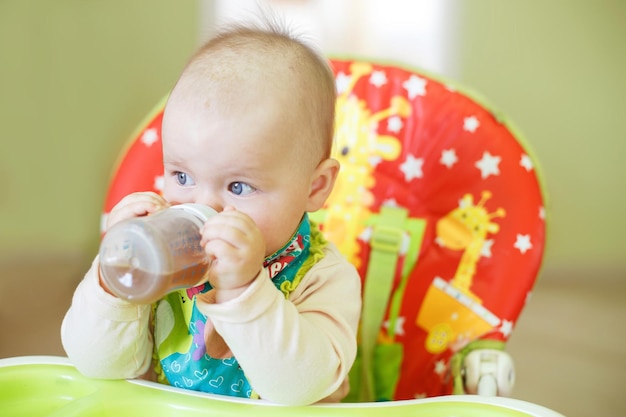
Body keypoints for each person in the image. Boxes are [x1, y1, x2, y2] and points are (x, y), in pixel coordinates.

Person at [61, 18, 362, 406]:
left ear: (315, 187)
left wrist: (244, 290)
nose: (203, 206)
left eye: (239, 187)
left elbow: (298, 388)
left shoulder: (324, 279)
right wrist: (115, 282)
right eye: (182, 176)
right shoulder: (159, 265)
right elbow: (96, 365)